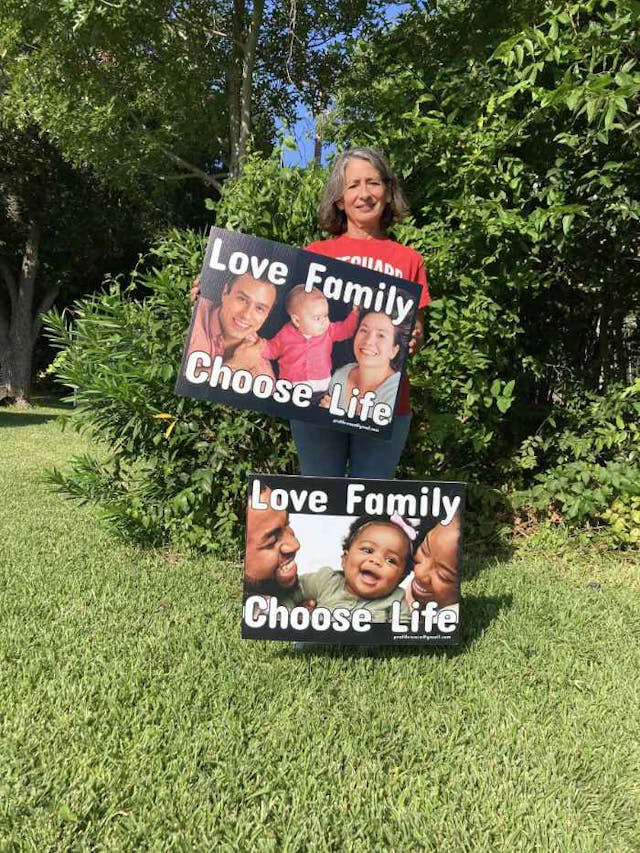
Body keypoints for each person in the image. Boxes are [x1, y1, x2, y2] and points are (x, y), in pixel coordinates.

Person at [292, 147, 430, 478]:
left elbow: (416, 332)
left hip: (386, 406)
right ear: (339, 198)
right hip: (318, 401)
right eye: (353, 185)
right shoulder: (314, 255)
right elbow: (285, 316)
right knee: (319, 496)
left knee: (372, 503)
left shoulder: (409, 260)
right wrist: (209, 290)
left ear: (388, 190)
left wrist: (416, 337)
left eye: (373, 183)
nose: (364, 194)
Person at [287, 515, 414, 623]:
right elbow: (287, 593)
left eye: (391, 560)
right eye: (368, 550)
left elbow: (402, 633)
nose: (376, 561)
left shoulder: (396, 600)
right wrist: (293, 616)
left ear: (401, 577)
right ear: (345, 559)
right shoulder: (326, 581)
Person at [260, 285, 359, 397]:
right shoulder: (285, 334)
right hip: (291, 389)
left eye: (326, 316)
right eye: (317, 318)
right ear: (297, 320)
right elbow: (272, 349)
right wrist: (259, 345)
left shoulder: (328, 330)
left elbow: (346, 329)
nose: (324, 321)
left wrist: (355, 315)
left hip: (321, 389)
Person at [186, 271, 277, 377]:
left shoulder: (262, 370)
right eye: (242, 299)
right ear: (225, 293)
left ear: (266, 316)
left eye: (259, 308)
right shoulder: (194, 311)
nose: (246, 315)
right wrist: (236, 366)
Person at [320, 309, 409, 414]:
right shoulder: (340, 375)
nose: (368, 341)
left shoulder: (397, 393)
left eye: (381, 335)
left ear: (394, 350)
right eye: (364, 330)